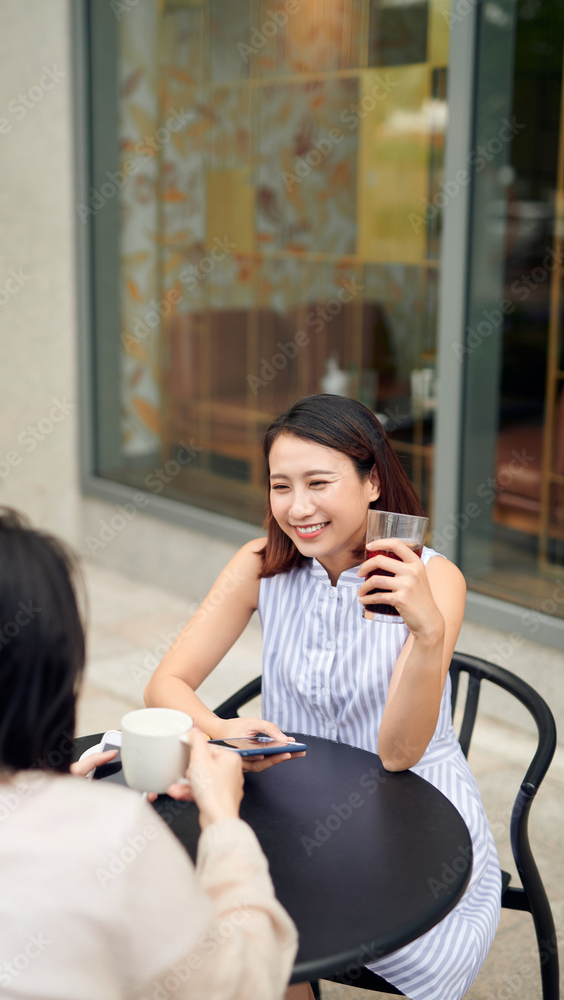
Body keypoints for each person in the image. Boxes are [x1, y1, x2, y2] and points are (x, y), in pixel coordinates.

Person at [146, 393, 503, 1000]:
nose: (298, 507)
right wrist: (220, 728)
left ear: (371, 482)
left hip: (413, 816)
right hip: (295, 803)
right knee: (232, 913)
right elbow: (165, 685)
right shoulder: (260, 565)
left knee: (365, 935)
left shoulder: (432, 578)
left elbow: (398, 754)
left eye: (319, 482)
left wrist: (427, 631)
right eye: (280, 486)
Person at [0, 509, 297, 1000]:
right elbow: (238, 985)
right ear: (54, 665)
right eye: (282, 484)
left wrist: (57, 783)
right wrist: (223, 821)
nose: (298, 507)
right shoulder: (112, 834)